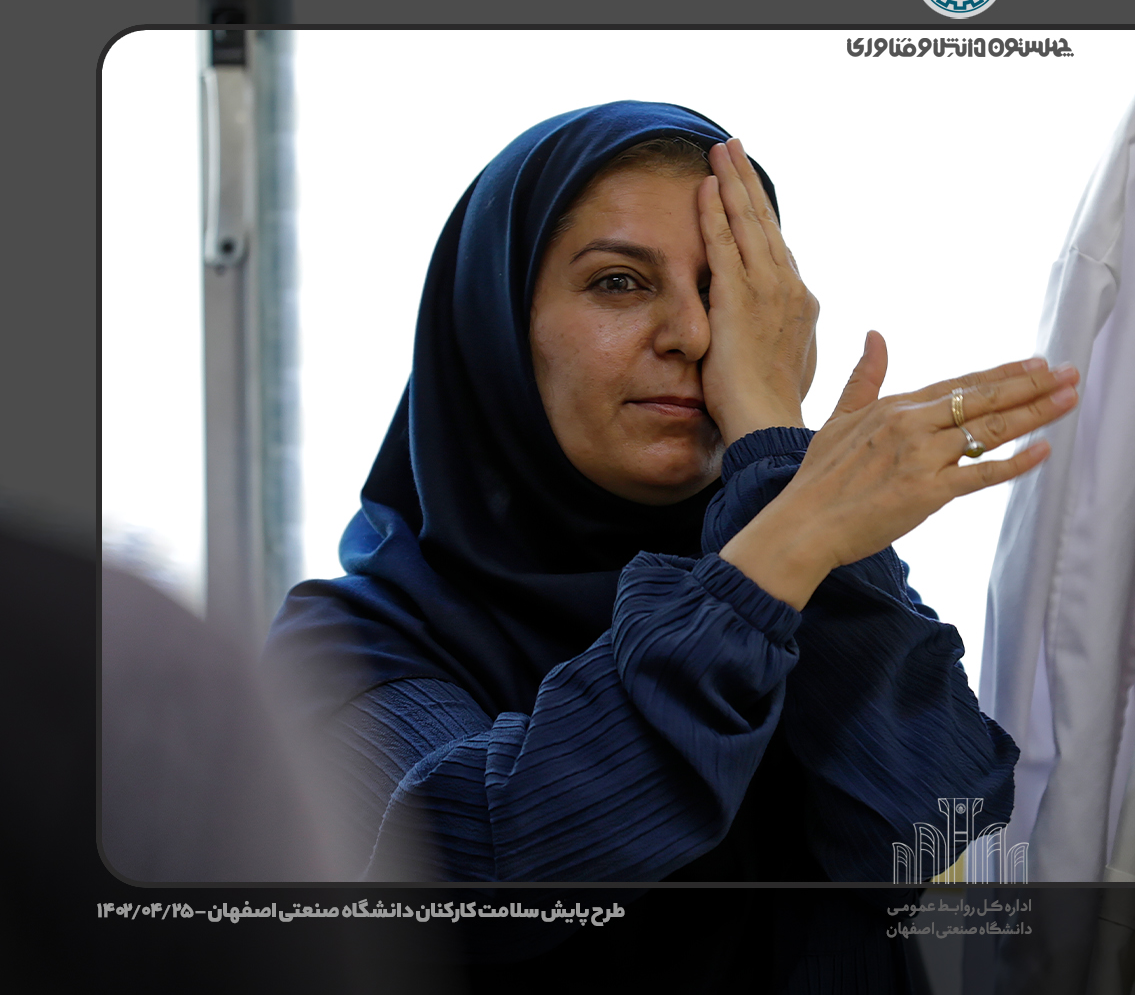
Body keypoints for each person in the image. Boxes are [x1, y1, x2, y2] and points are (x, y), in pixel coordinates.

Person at [265, 100, 1078, 903]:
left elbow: (935, 844)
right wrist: (789, 538)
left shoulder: (810, 565)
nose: (693, 334)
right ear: (495, 327)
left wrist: (778, 465)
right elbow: (479, 869)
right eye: (619, 282)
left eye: (725, 291)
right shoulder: (345, 650)